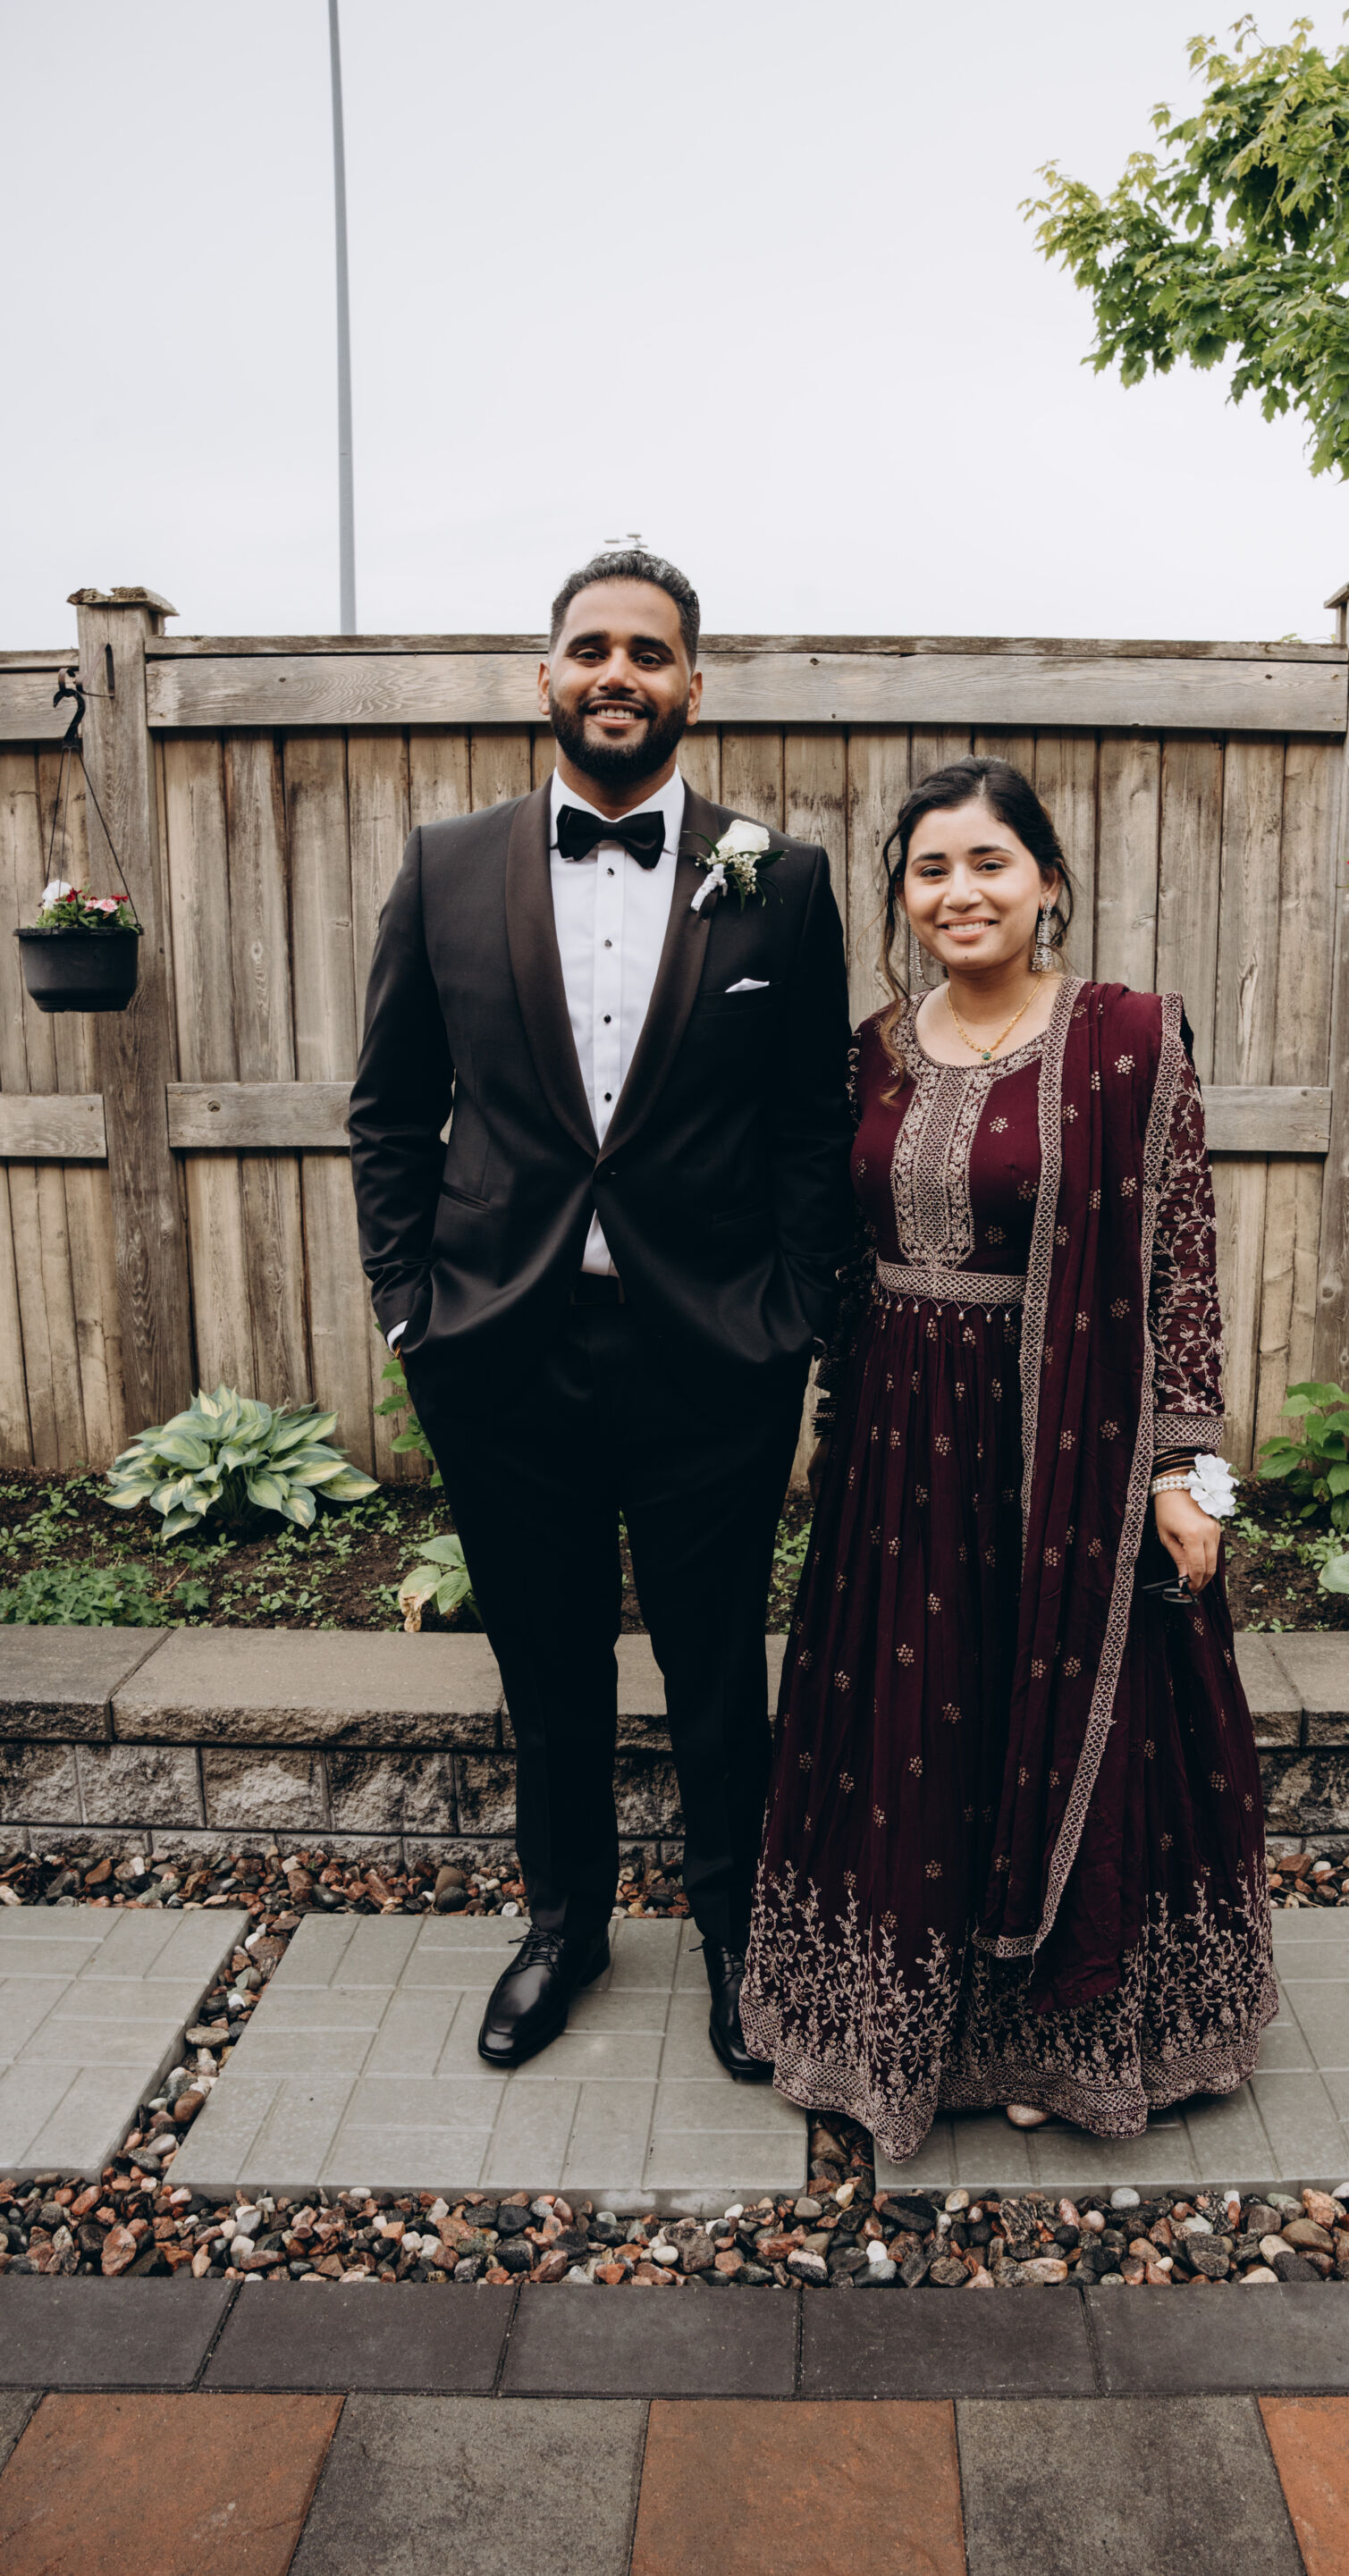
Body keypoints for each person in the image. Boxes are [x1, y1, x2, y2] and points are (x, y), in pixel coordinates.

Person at [349, 548, 852, 2079]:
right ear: (546, 676)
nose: (615, 673)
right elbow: (391, 1109)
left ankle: (738, 1934)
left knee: (717, 1667)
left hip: (715, 1352)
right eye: (590, 648)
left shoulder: (782, 878)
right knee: (547, 1665)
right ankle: (564, 1926)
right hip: (501, 1347)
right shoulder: (446, 866)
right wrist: (408, 1306)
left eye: (647, 650)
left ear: (694, 682)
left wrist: (795, 1313)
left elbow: (810, 1124)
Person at [741, 757, 1277, 2161]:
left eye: (989, 862)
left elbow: (1184, 1264)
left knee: (1073, 1726)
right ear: (902, 896)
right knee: (920, 1735)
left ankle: (1067, 2037)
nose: (959, 892)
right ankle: (910, 2031)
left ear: (1048, 879)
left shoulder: (1129, 1038)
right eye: (930, 869)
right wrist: (830, 1443)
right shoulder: (870, 1049)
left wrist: (1189, 1470)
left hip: (1074, 1452)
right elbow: (841, 1264)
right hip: (900, 1457)